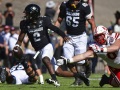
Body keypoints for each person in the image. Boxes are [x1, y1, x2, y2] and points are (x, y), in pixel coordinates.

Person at [13, 4, 70, 87]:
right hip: (38, 50)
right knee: (59, 72)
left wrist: (63, 35)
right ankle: (79, 75)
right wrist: (17, 46)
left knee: (45, 59)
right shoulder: (25, 24)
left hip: (47, 46)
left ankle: (54, 79)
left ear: (33, 14)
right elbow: (20, 40)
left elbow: (55, 28)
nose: (26, 15)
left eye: (28, 13)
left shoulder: (44, 20)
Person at [55, 0, 96, 85]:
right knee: (68, 59)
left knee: (80, 62)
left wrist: (95, 36)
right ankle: (78, 78)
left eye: (76, 0)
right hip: (68, 36)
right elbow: (59, 20)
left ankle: (88, 63)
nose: (74, 2)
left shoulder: (84, 7)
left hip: (81, 37)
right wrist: (52, 30)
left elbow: (92, 22)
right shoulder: (64, 5)